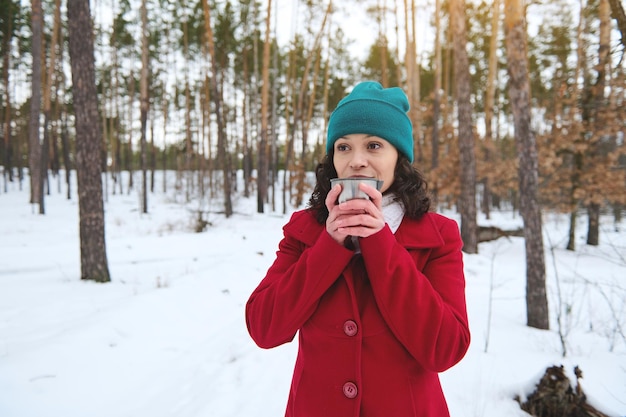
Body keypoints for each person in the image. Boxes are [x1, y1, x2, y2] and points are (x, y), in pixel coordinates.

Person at [245, 81, 470, 417]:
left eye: (374, 145)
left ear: (399, 158)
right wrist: (329, 246)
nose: (356, 161)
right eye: (344, 147)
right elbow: (264, 328)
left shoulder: (438, 236)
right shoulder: (304, 231)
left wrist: (379, 241)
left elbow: (445, 348)